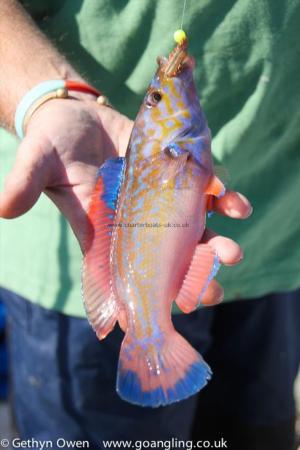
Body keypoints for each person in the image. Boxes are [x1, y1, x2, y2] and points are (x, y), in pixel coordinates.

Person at [0, 1, 299, 449]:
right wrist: (42, 99)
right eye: (155, 99)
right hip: (62, 258)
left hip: (280, 240)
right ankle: (148, 335)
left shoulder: (178, 146)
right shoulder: (175, 149)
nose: (162, 90)